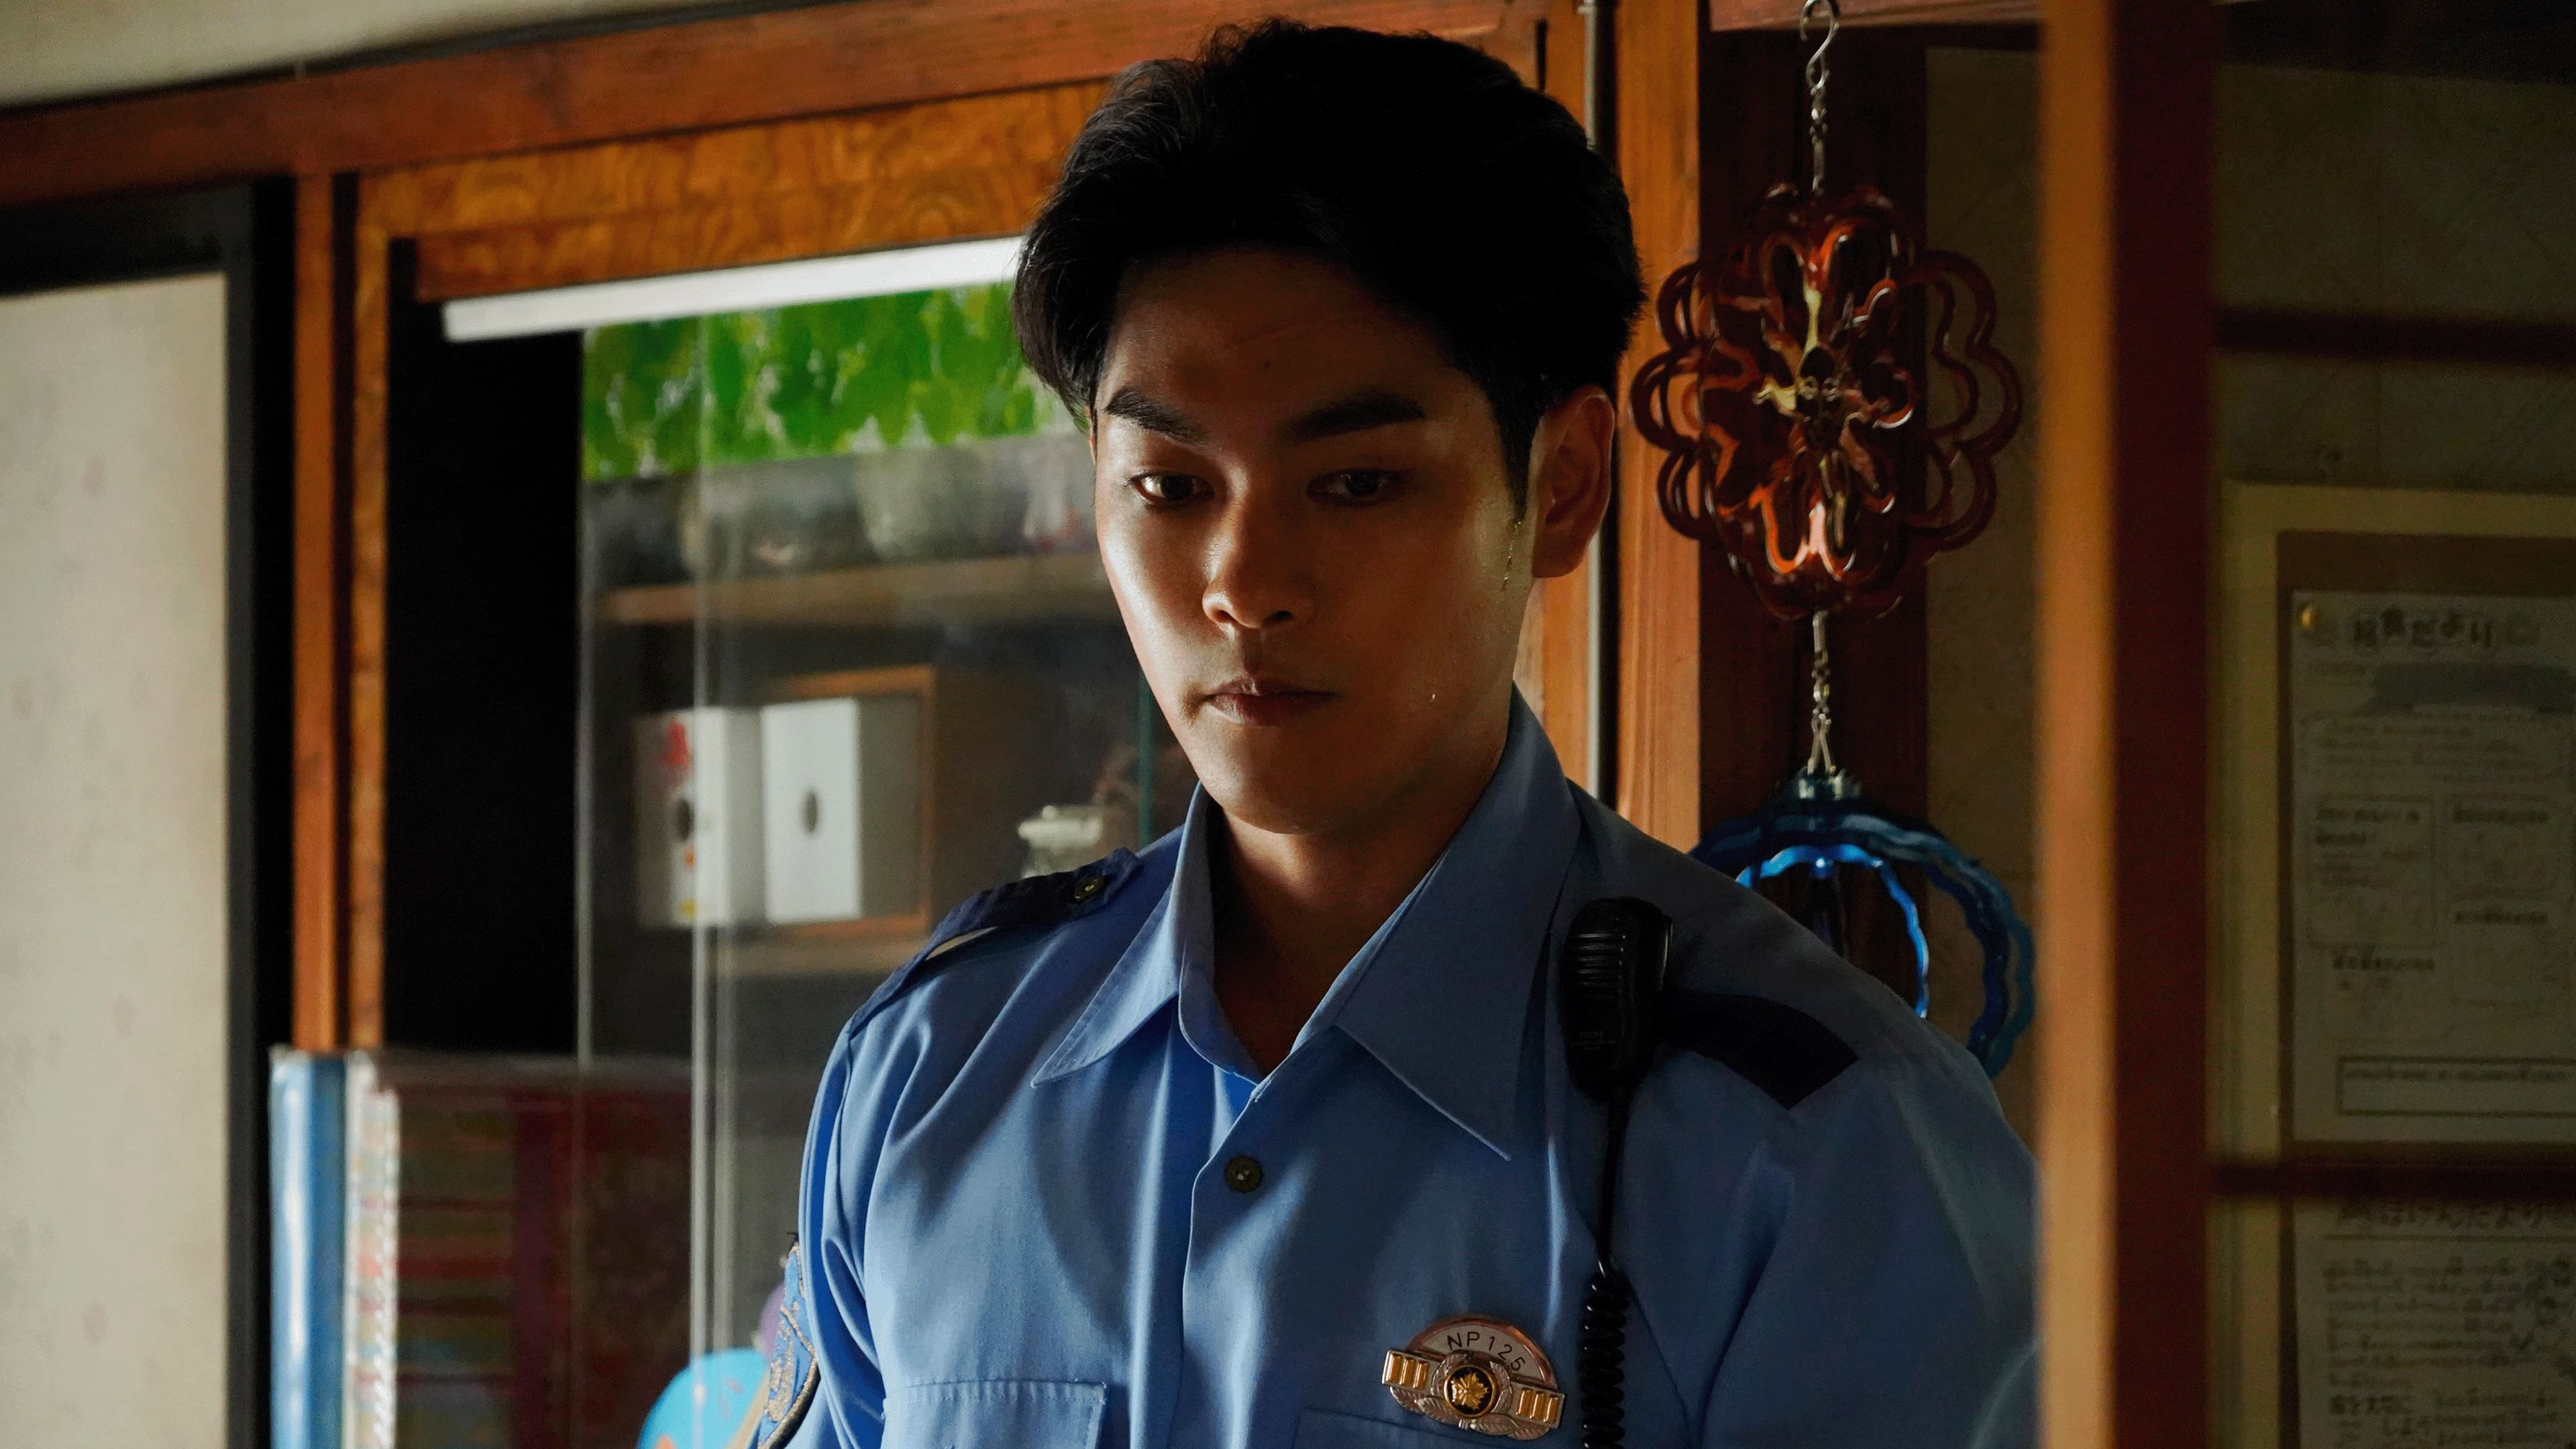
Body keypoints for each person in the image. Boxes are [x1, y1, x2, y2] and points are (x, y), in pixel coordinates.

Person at [752, 19, 2033, 1449]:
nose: (1244, 584)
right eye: (1170, 487)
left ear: (1561, 486)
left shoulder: (1816, 1143)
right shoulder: (933, 1073)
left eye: (1357, 483)